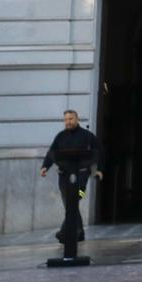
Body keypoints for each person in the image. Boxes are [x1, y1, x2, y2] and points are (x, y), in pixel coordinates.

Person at [40, 109, 102, 255]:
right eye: (66, 119)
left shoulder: (87, 136)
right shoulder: (60, 137)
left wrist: (97, 170)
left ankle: (64, 231)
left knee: (76, 199)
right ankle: (78, 231)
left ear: (77, 119)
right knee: (69, 203)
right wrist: (45, 167)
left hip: (81, 177)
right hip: (64, 177)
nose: (68, 122)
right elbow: (52, 152)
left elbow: (98, 152)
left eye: (71, 119)